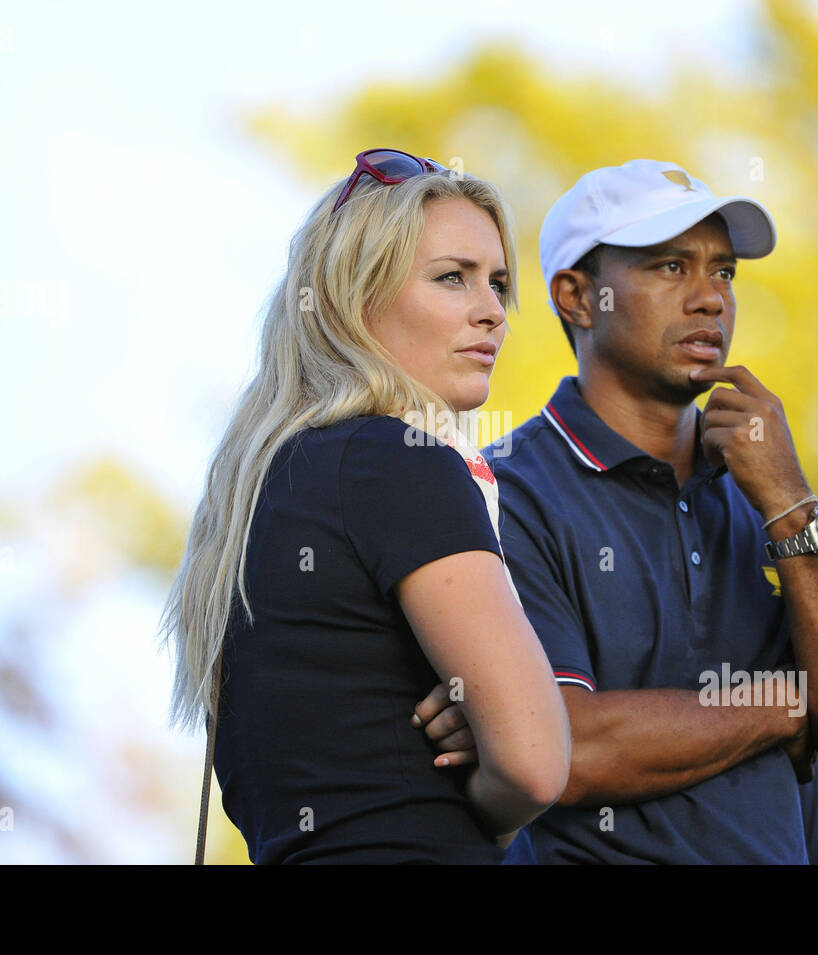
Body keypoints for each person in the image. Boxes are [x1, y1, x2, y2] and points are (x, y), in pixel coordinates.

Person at [470, 159, 818, 863]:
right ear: (578, 298)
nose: (711, 298)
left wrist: (788, 503)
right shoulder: (507, 490)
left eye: (724, 271)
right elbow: (562, 743)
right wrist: (788, 705)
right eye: (670, 267)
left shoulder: (773, 494)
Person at [158, 149, 571, 864]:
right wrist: (487, 784)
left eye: (499, 284)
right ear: (355, 299)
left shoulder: (268, 489)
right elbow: (536, 760)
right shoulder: (396, 460)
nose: (493, 312)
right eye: (452, 278)